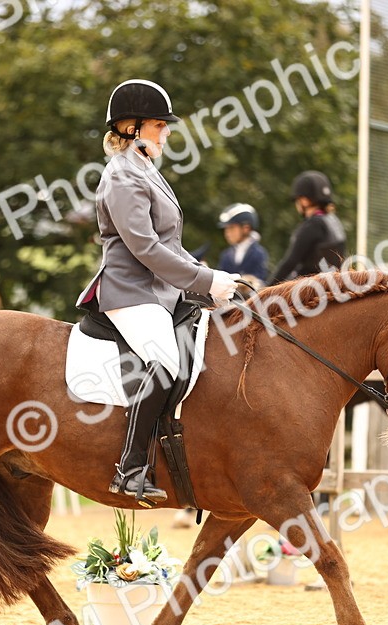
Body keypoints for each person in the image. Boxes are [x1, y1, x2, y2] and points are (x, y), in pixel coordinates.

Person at [77, 78, 240, 505]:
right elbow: (145, 247)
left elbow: (171, 245)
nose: (167, 131)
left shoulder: (146, 170)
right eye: (160, 124)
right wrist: (203, 281)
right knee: (165, 361)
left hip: (160, 291)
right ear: (134, 127)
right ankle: (130, 469)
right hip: (130, 292)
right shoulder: (122, 176)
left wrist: (208, 279)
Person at [269, 170, 347, 285]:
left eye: (297, 200)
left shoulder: (312, 225)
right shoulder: (334, 221)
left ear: (304, 200)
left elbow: (290, 262)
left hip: (311, 288)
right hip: (333, 284)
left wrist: (264, 290)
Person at [217, 203, 269, 288]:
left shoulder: (259, 253)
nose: (227, 233)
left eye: (231, 228)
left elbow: (261, 280)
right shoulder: (226, 255)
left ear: (246, 228)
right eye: (226, 229)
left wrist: (250, 281)